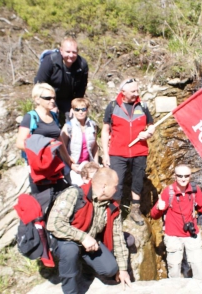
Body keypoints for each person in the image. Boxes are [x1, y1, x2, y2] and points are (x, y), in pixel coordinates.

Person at [47, 167, 132, 293]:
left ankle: (85, 267)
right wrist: (83, 237)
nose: (117, 189)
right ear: (104, 186)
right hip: (67, 240)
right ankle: (70, 290)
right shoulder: (74, 194)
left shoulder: (113, 207)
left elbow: (118, 238)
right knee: (70, 251)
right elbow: (53, 224)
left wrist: (123, 269)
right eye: (115, 186)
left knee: (110, 269)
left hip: (90, 243)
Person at [150, 164, 202, 280]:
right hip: (173, 235)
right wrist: (159, 208)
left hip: (191, 233)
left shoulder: (194, 189)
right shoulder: (169, 192)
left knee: (198, 264)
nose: (183, 178)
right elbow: (154, 215)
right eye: (180, 176)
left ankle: (200, 287)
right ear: (175, 176)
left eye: (186, 176)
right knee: (174, 267)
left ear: (190, 176)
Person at [101, 78, 155, 226]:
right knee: (116, 182)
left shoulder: (142, 106)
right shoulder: (112, 106)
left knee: (137, 181)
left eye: (137, 90)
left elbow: (151, 125)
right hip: (117, 152)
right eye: (133, 91)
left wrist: (149, 133)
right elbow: (105, 131)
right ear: (123, 92)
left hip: (139, 151)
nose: (136, 93)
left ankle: (135, 210)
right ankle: (115, 212)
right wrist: (106, 153)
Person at [16, 83, 79, 194]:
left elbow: (59, 139)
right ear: (37, 99)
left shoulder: (53, 116)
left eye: (54, 97)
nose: (52, 100)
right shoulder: (31, 117)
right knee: (42, 199)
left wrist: (68, 159)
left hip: (55, 165)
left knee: (59, 197)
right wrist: (44, 151)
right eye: (48, 98)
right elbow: (20, 143)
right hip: (39, 167)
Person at [34, 37, 89, 118]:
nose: (71, 55)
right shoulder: (50, 61)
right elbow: (39, 84)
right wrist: (49, 102)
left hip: (68, 99)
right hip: (50, 97)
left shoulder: (82, 65)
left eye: (74, 52)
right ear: (61, 50)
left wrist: (76, 106)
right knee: (51, 116)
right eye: (68, 52)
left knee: (75, 116)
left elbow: (81, 88)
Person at [61, 98, 98, 184]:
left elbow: (95, 146)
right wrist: (71, 165)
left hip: (88, 165)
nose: (80, 112)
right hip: (74, 166)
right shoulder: (68, 127)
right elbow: (62, 149)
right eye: (77, 109)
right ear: (72, 110)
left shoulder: (92, 125)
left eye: (83, 109)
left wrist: (95, 163)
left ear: (87, 110)